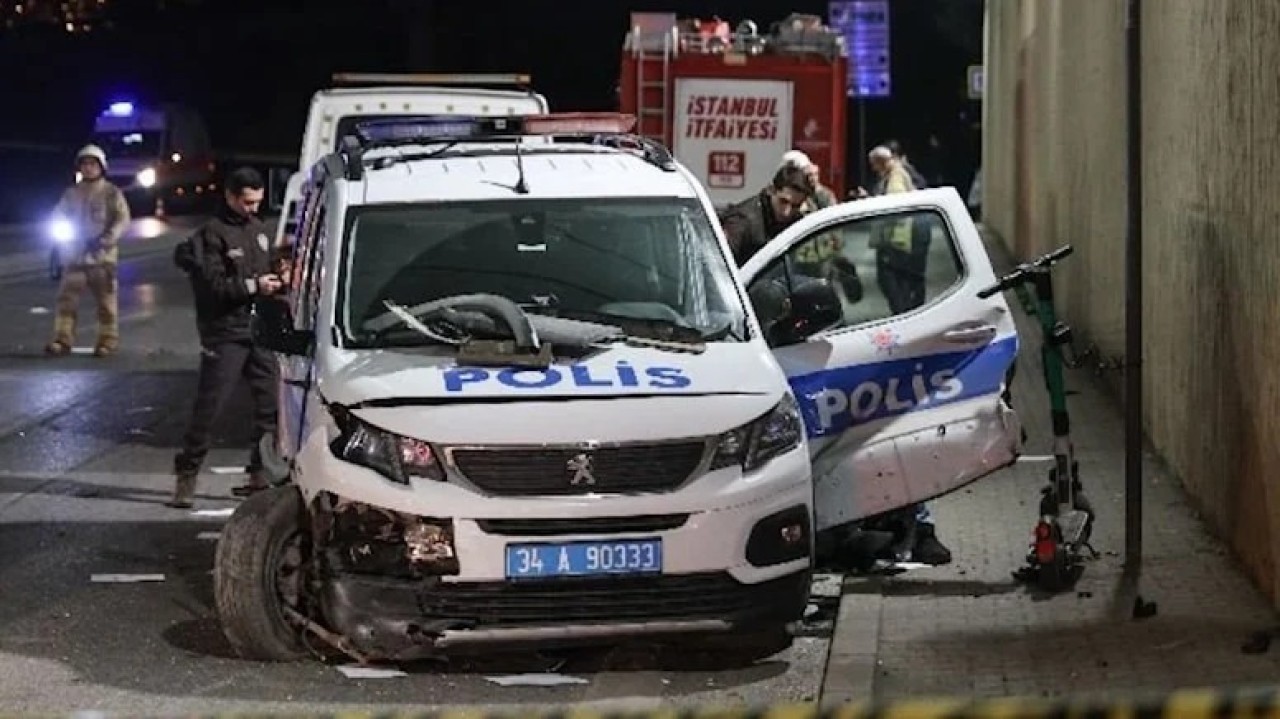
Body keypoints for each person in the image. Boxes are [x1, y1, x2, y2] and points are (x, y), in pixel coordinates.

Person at [167, 167, 285, 509]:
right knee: (210, 408)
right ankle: (186, 477)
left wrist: (279, 277)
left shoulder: (259, 231)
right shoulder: (211, 235)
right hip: (224, 333)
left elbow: (268, 268)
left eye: (257, 202)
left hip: (258, 330)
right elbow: (214, 287)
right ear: (230, 196)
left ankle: (258, 474)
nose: (252, 208)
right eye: (246, 202)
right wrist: (253, 286)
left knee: (269, 407)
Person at [44, 144, 130, 357]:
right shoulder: (71, 193)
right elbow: (58, 215)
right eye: (84, 164)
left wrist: (107, 239)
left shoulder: (112, 193)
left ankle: (107, 341)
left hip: (102, 258)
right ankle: (62, 340)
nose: (88, 168)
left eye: (93, 164)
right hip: (74, 257)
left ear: (101, 167)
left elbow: (122, 219)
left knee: (106, 302)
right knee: (66, 301)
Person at [719, 164, 814, 266]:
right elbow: (722, 265)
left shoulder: (798, 220)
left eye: (795, 206)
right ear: (771, 190)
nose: (787, 212)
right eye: (783, 202)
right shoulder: (743, 221)